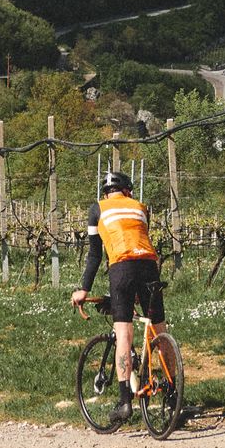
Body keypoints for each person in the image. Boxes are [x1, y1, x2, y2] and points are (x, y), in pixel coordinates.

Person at [71, 167, 164, 424]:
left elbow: (95, 255)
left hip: (121, 268)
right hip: (149, 266)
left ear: (106, 192)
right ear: (127, 191)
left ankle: (125, 402)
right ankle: (173, 392)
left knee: (124, 333)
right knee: (159, 328)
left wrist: (84, 289)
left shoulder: (97, 209)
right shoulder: (141, 207)